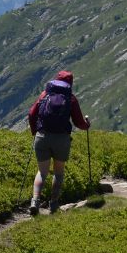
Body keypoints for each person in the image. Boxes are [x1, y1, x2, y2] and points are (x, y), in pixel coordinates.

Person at [28, 70, 90, 216]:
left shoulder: (44, 95)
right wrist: (87, 125)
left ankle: (35, 201)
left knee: (42, 172)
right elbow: (79, 122)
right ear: (70, 83)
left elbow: (31, 114)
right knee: (58, 172)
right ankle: (54, 204)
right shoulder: (71, 99)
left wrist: (35, 131)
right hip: (61, 139)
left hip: (42, 137)